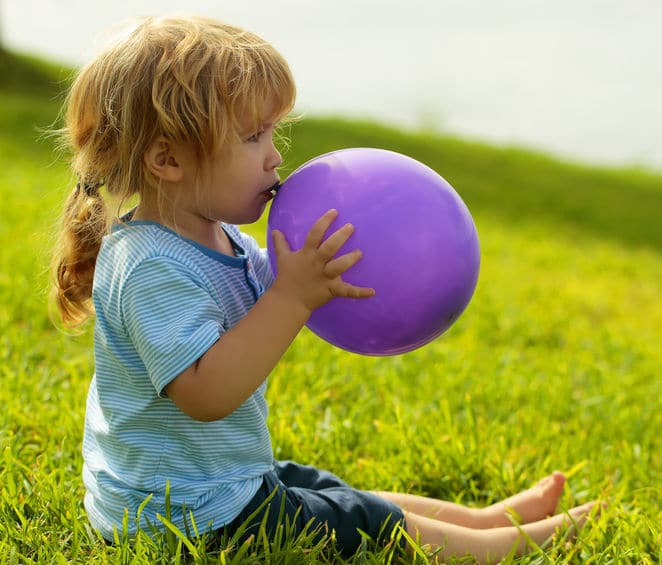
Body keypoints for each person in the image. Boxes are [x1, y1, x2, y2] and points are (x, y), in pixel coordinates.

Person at [51, 15, 600, 562]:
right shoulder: (151, 266)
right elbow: (204, 394)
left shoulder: (219, 238)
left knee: (321, 487)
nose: (275, 156)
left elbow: (266, 296)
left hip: (199, 483)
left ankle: (482, 521)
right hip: (180, 517)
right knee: (357, 521)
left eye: (271, 133)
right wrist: (290, 298)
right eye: (252, 137)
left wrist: (326, 274)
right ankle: (502, 547)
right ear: (168, 159)